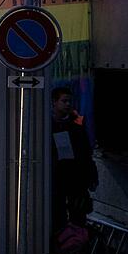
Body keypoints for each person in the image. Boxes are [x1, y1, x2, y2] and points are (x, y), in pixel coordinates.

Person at [51, 87, 98, 234]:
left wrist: (91, 176)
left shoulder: (76, 125)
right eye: (64, 101)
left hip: (75, 179)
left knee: (77, 217)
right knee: (57, 217)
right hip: (56, 179)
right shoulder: (47, 125)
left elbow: (85, 154)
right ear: (54, 102)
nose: (68, 104)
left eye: (69, 101)